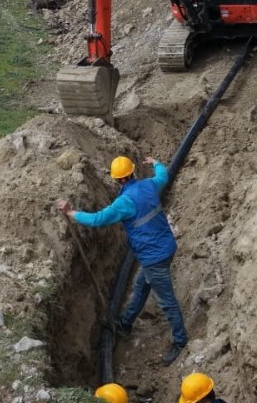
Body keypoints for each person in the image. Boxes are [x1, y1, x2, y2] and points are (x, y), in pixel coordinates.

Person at [58, 155, 189, 366]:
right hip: (166, 246)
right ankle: (126, 323)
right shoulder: (149, 185)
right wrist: (155, 163)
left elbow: (97, 219)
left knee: (167, 302)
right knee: (140, 285)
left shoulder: (124, 202)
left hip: (153, 256)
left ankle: (181, 341)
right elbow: (163, 175)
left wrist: (71, 212)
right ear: (133, 172)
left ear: (117, 180)